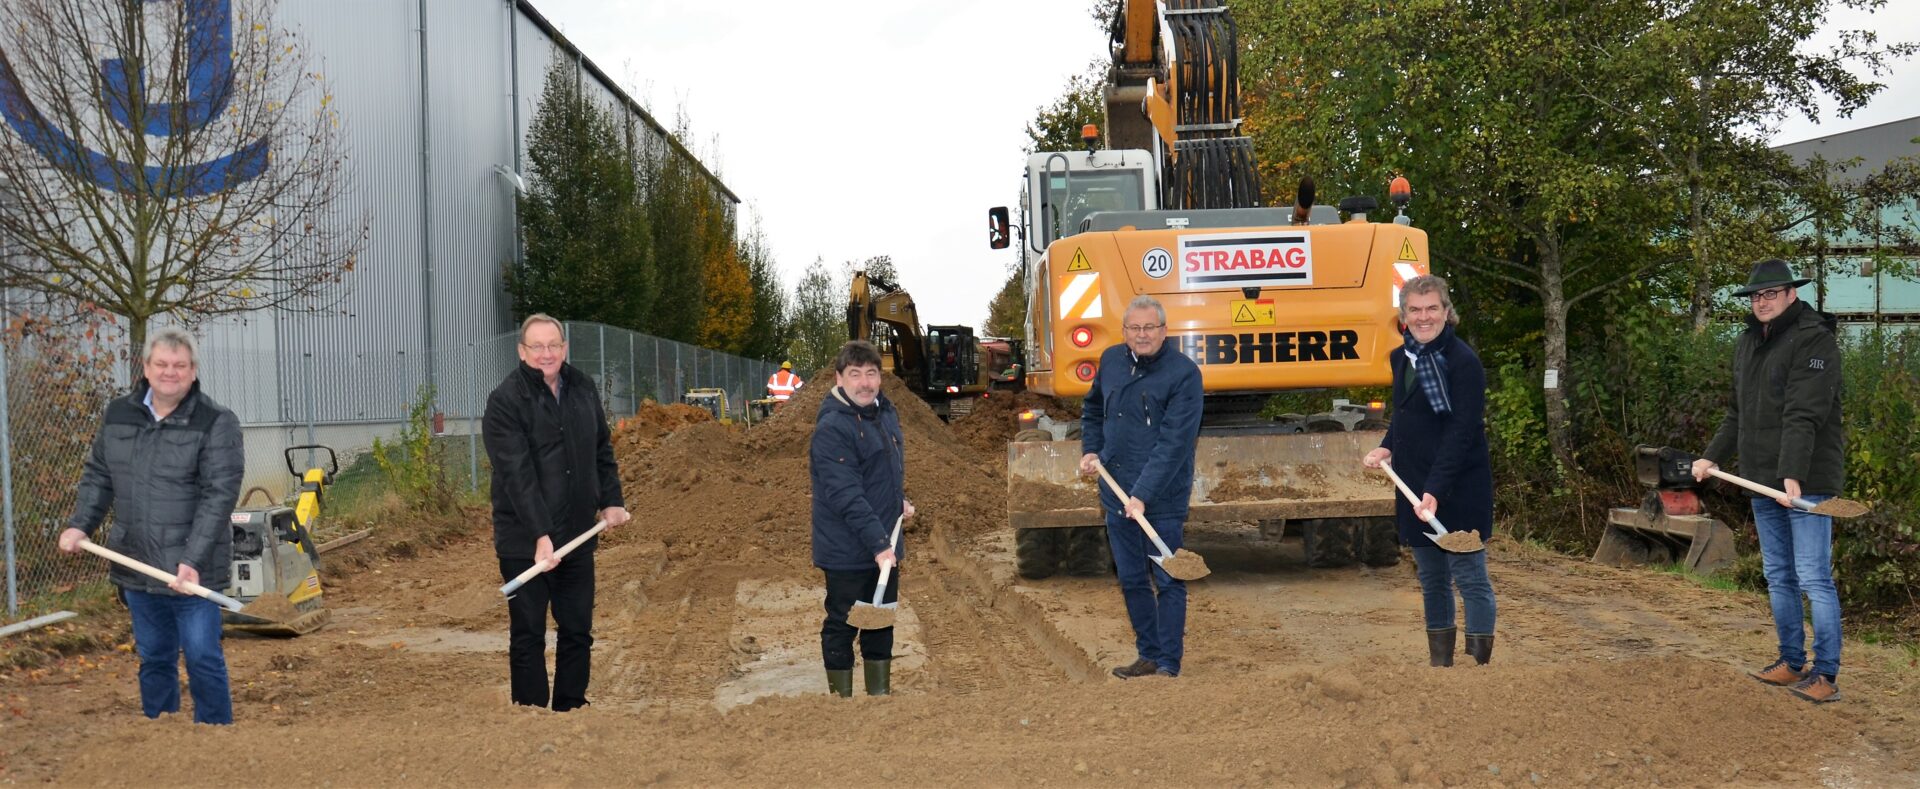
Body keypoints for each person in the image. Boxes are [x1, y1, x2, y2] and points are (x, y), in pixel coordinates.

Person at [58, 327, 243, 725]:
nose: (170, 372)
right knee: (154, 655)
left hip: (192, 570)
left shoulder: (216, 421)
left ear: (194, 371)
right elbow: (98, 477)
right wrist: (80, 525)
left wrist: (192, 559)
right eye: (161, 363)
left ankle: (217, 738)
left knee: (201, 656)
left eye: (180, 365)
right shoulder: (119, 414)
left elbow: (219, 496)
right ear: (146, 367)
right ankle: (158, 733)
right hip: (137, 560)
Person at [1692, 258, 1845, 704]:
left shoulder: (1815, 341)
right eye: (1757, 295)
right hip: (1763, 479)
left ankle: (1825, 673)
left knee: (1813, 577)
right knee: (1778, 574)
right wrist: (1710, 457)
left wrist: (1792, 474)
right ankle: (1790, 661)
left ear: (1791, 294)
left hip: (1807, 478)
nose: (1762, 302)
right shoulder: (1747, 344)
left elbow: (1805, 412)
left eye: (1771, 294)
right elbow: (1738, 413)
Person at [483, 313, 631, 711]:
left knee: (578, 629)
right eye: (537, 346)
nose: (546, 353)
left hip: (577, 534)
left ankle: (570, 708)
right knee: (529, 632)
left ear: (564, 348)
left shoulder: (582, 388)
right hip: (524, 541)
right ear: (522, 351)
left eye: (553, 345)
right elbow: (517, 475)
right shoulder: (505, 401)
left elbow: (601, 449)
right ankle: (530, 714)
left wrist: (612, 499)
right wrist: (540, 535)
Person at [1363, 274, 1497, 668]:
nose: (1424, 318)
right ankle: (1441, 665)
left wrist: (1436, 490)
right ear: (1403, 316)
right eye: (1415, 310)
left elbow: (1461, 432)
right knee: (1432, 579)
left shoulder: (1464, 363)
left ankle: (1478, 666)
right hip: (1414, 483)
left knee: (1470, 577)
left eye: (1432, 309)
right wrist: (1387, 444)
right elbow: (1405, 415)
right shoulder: (1400, 357)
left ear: (1446, 312)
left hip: (1459, 486)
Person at [1078, 295, 1203, 678]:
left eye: (1150, 327)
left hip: (1160, 498)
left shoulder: (1183, 375)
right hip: (1116, 492)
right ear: (1125, 331)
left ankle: (1168, 662)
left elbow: (1174, 444)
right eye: (1135, 328)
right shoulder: (1112, 360)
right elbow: (1092, 409)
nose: (1142, 335)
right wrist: (1091, 450)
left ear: (1165, 331)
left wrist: (1143, 495)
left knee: (1167, 578)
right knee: (1131, 578)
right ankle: (1148, 653)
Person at [810, 340, 914, 697]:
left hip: (882, 542)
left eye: (871, 374)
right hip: (848, 548)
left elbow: (877, 472)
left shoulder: (884, 412)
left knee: (880, 620)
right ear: (839, 379)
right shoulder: (833, 428)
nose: (865, 383)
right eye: (855, 374)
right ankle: (841, 704)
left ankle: (878, 698)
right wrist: (880, 545)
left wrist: (898, 500)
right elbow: (845, 494)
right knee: (843, 623)